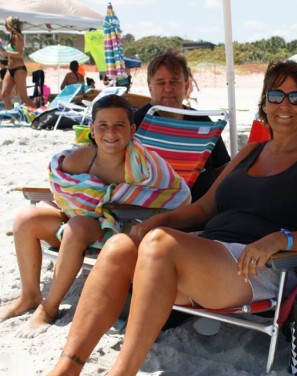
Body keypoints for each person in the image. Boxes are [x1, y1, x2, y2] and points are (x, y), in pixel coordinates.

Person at [48, 59, 297, 375]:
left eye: (296, 97)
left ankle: (122, 370)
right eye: (276, 96)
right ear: (264, 104)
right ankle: (68, 366)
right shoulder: (251, 152)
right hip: (206, 254)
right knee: (120, 246)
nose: (285, 104)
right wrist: (157, 221)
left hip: (260, 266)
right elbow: (205, 208)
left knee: (161, 244)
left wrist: (280, 239)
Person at [0, 95, 190, 336]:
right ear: (92, 129)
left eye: (119, 125)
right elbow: (64, 192)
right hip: (81, 223)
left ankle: (49, 308)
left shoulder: (145, 166)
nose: (111, 132)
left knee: (77, 226)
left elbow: (177, 194)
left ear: (132, 129)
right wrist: (83, 205)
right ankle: (29, 296)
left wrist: (102, 204)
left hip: (121, 230)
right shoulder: (79, 160)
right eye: (103, 125)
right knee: (26, 218)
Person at [133, 49, 231, 201]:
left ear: (186, 86)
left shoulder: (202, 121)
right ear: (150, 87)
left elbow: (223, 167)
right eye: (160, 83)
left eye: (174, 82)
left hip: (203, 207)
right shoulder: (136, 124)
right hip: (153, 208)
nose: (168, 89)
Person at [0, 16, 36, 110]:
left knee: (24, 98)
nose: (5, 26)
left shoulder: (18, 37)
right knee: (4, 94)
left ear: (10, 25)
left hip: (19, 69)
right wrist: (2, 51)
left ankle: (39, 115)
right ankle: (12, 117)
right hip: (10, 68)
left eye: (6, 24)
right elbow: (8, 55)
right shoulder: (11, 38)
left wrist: (5, 52)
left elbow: (20, 55)